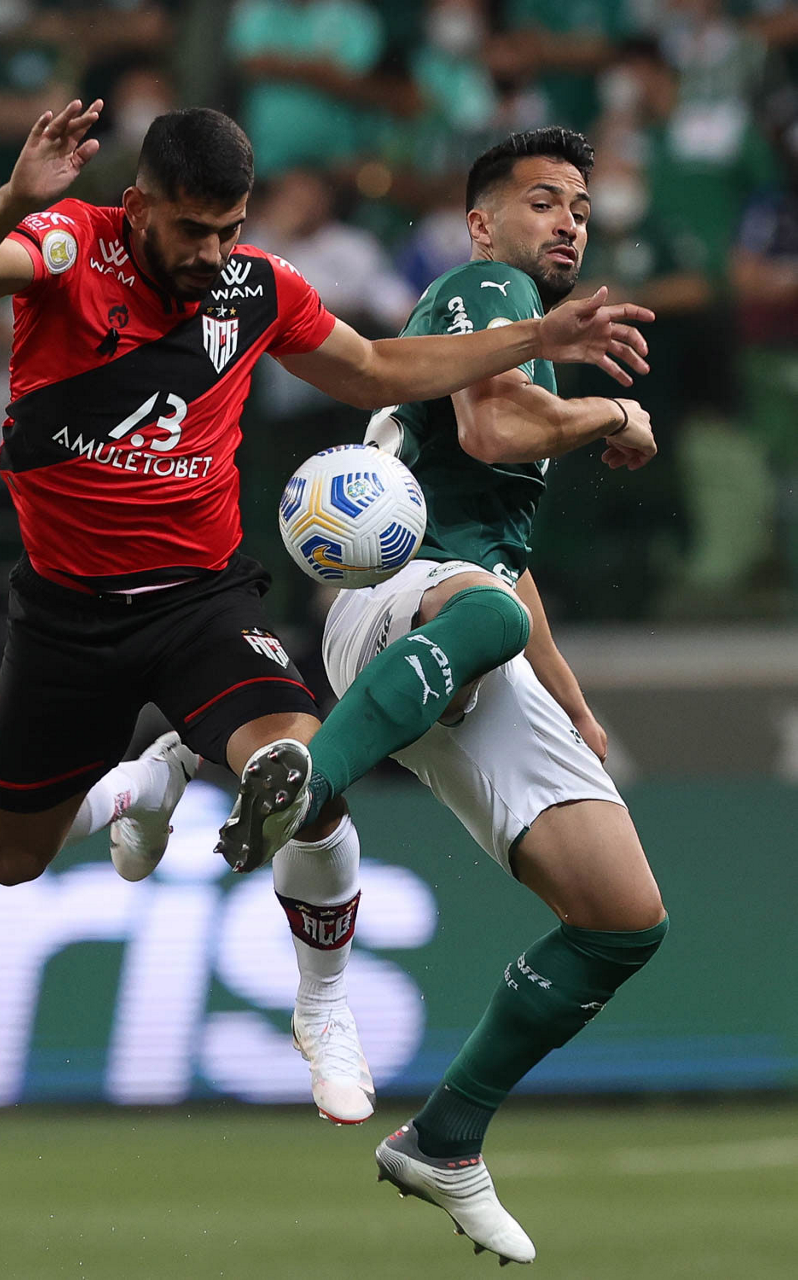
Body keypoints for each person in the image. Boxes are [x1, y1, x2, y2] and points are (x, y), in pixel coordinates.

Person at [0, 104, 652, 1127]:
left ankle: (323, 1005)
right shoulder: (70, 240)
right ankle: (140, 787)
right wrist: (12, 200)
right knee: (10, 859)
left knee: (303, 775)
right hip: (65, 611)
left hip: (202, 599)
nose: (213, 253)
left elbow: (379, 368)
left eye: (230, 229)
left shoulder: (255, 287)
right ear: (139, 207)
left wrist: (535, 336)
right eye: (192, 231)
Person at [229, 127, 667, 1263]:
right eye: (542, 201)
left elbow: (506, 559)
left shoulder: (535, 336)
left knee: (622, 918)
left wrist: (569, 701)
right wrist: (616, 417)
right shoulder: (489, 289)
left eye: (580, 208)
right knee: (486, 614)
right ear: (482, 224)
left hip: (467, 613)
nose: (567, 222)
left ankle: (446, 1137)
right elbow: (494, 424)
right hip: (390, 596)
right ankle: (306, 778)